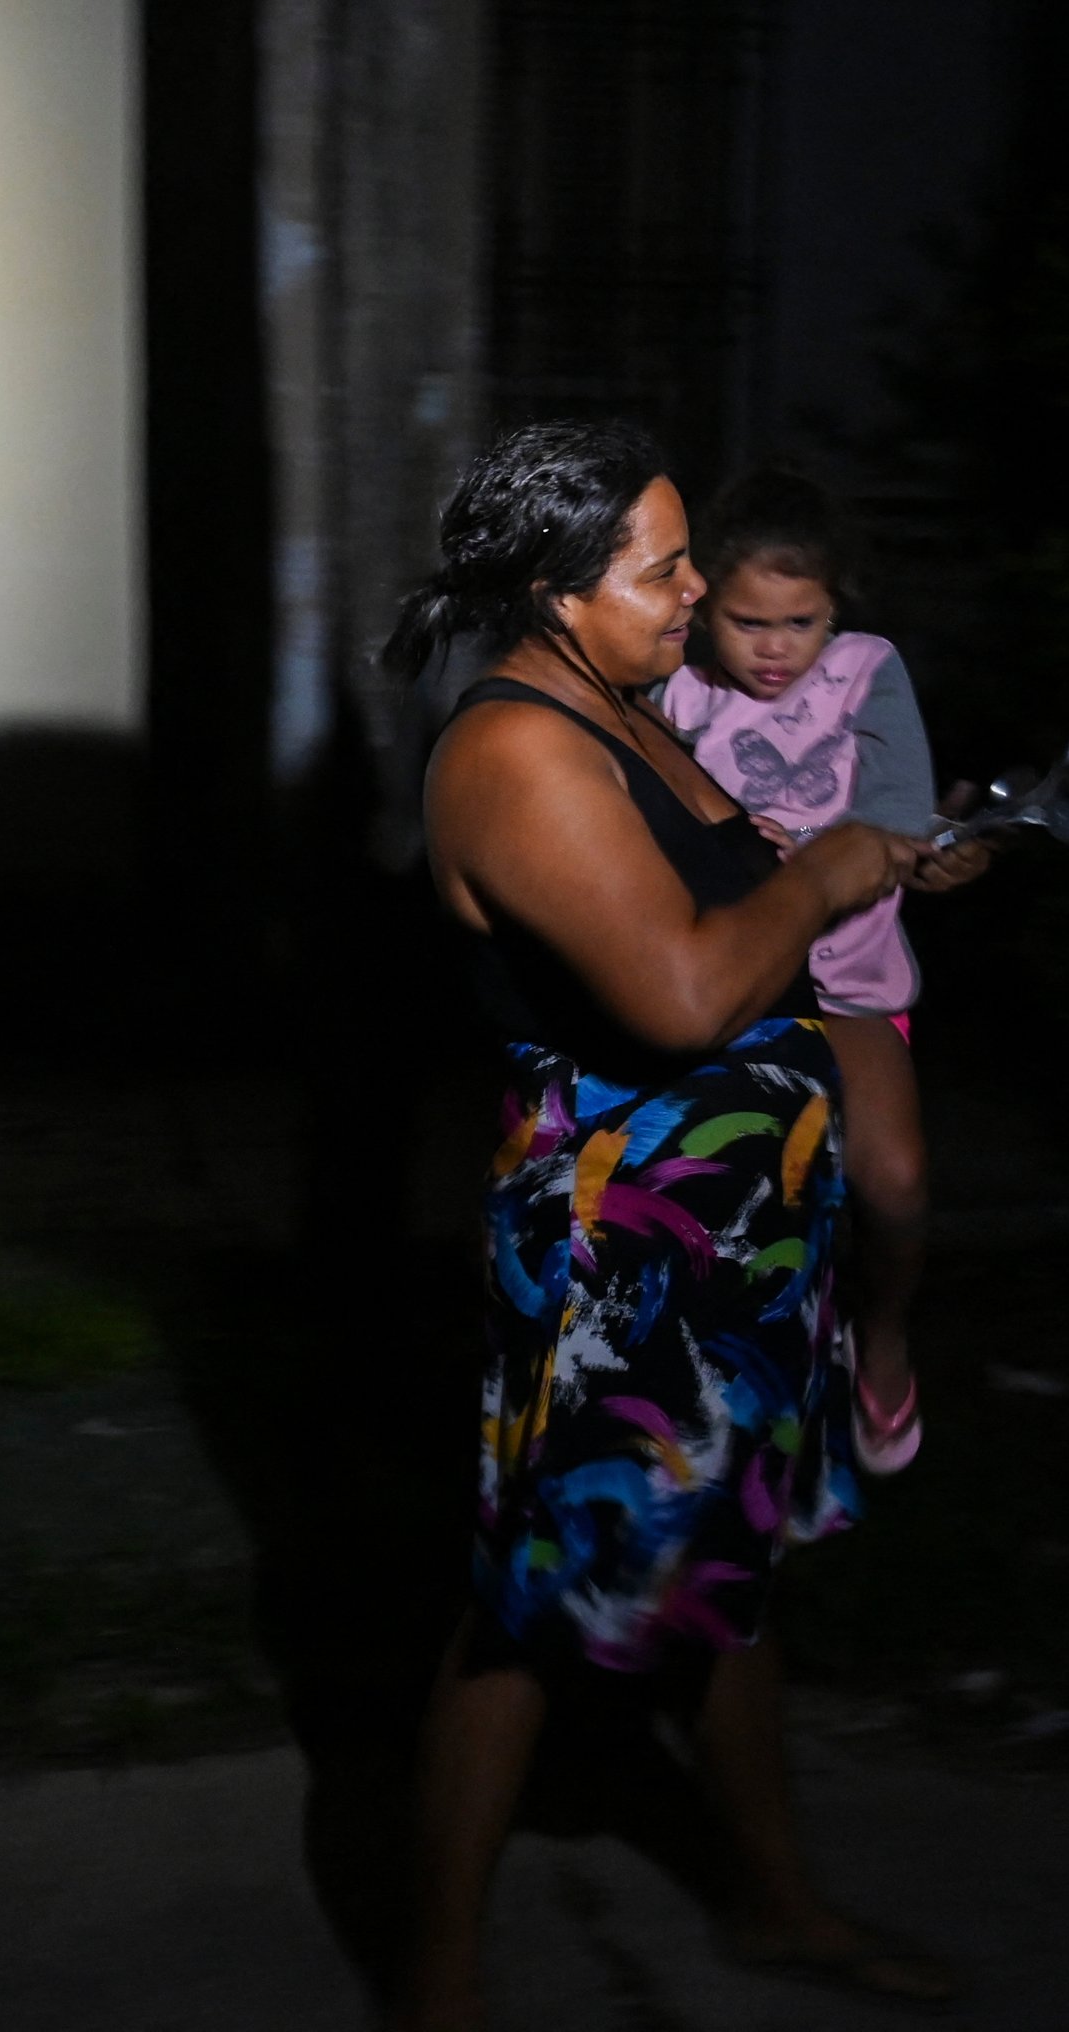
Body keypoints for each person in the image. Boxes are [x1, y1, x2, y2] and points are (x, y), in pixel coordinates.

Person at [389, 421, 987, 2028]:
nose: (692, 591)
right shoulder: (515, 749)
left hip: (734, 1230)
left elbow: (718, 883)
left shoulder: (625, 704)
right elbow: (677, 986)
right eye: (659, 569)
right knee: (533, 1602)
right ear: (550, 590)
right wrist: (834, 873)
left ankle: (775, 1905)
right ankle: (435, 1985)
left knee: (731, 1566)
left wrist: (875, 856)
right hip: (621, 1240)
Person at [658, 466, 974, 1473]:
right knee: (730, 1213)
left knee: (897, 1180)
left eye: (801, 622)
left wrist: (933, 842)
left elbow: (897, 809)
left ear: (837, 609)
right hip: (731, 983)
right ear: (705, 604)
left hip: (848, 981)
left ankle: (881, 1332)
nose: (774, 648)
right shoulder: (678, 691)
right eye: (749, 621)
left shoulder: (869, 671)